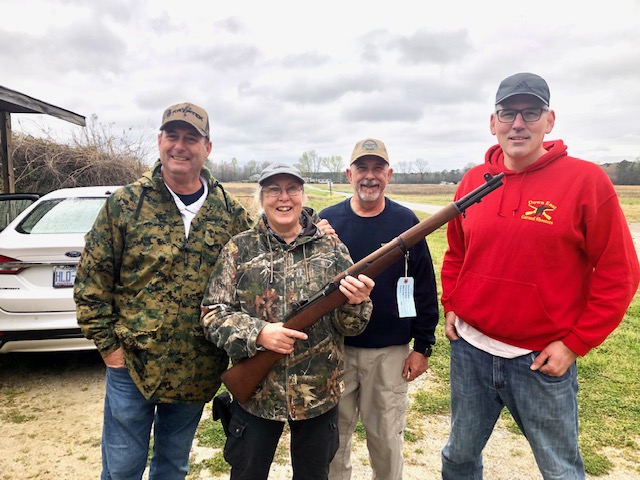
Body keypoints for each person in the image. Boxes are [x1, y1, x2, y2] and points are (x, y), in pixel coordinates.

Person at [440, 72, 640, 479]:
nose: (518, 123)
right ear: (492, 122)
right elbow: (458, 251)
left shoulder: (586, 181)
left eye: (530, 113)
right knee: (459, 457)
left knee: (560, 469)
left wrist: (575, 343)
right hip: (471, 351)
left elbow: (619, 273)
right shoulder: (474, 181)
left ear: (549, 121)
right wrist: (452, 305)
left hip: (539, 361)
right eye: (508, 113)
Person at [74, 102, 253, 480]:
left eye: (192, 138)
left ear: (208, 147)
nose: (180, 146)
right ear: (159, 141)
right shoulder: (125, 205)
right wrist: (110, 348)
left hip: (196, 367)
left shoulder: (230, 214)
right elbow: (92, 282)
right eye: (173, 136)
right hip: (132, 366)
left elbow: (266, 256)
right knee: (122, 468)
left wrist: (315, 231)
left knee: (173, 467)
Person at [200, 163, 375, 480]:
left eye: (292, 189)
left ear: (302, 195)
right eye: (273, 190)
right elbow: (212, 313)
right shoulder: (239, 249)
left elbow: (351, 327)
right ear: (261, 198)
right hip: (257, 397)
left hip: (318, 395)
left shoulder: (332, 248)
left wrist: (358, 302)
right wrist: (259, 333)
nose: (284, 198)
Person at [320, 139, 439, 480]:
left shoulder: (407, 222)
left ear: (389, 174)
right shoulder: (327, 222)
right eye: (362, 168)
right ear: (348, 174)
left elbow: (423, 287)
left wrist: (423, 346)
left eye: (377, 169)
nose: (369, 177)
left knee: (386, 441)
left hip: (389, 353)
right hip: (336, 350)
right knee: (333, 443)